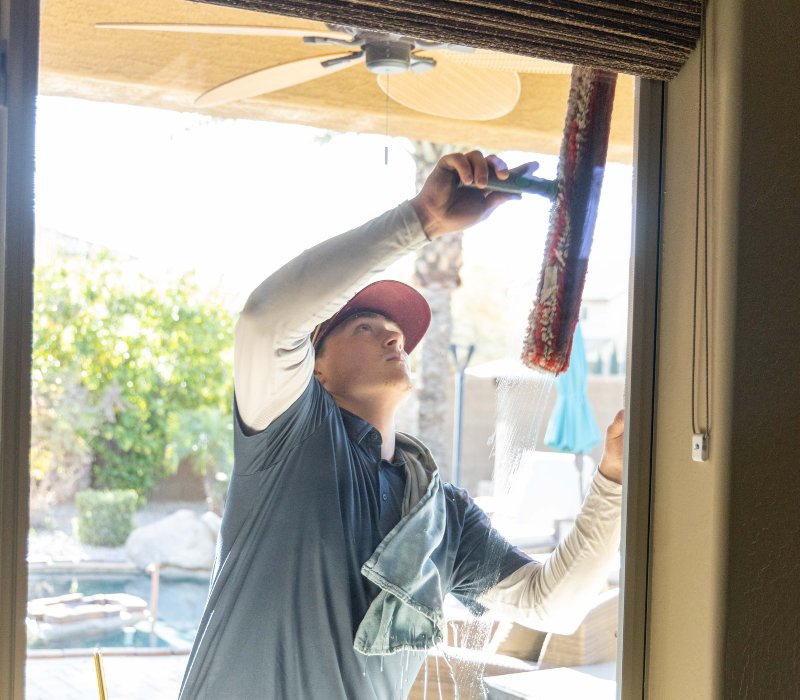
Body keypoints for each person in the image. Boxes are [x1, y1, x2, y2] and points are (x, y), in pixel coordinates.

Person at [178, 151, 623, 699]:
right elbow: (266, 320)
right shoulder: (290, 437)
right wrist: (423, 220)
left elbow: (552, 603)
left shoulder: (439, 514)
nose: (395, 338)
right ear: (313, 364)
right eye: (366, 327)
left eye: (397, 332)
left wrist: (614, 478)